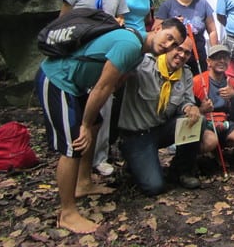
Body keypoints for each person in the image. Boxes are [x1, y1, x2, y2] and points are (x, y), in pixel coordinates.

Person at [36, 18, 187, 234]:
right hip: (58, 79)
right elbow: (102, 88)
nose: (168, 45)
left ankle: (84, 182)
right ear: (157, 28)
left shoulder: (140, 51)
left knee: (96, 124)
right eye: (168, 37)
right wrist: (85, 125)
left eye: (175, 44)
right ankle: (67, 213)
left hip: (76, 85)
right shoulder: (130, 45)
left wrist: (92, 122)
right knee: (73, 144)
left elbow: (117, 81)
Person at [60, 0, 129, 177]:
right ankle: (74, 155)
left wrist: (118, 22)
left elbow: (121, 16)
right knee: (77, 106)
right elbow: (63, 18)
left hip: (104, 54)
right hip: (78, 55)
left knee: (104, 106)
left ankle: (99, 157)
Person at [117, 37, 214, 195]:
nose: (182, 55)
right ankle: (133, 160)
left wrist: (191, 107)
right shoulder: (143, 64)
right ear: (169, 48)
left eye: (187, 53)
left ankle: (182, 171)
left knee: (198, 120)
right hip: (137, 134)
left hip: (161, 129)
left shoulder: (185, 73)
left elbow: (186, 101)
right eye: (179, 49)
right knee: (154, 187)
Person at [154, 0, 218, 73]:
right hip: (174, 54)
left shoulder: (203, 4)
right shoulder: (167, 5)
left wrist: (215, 53)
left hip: (198, 54)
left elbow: (212, 31)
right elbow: (155, 29)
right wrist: (171, 23)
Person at [193, 44, 234, 150]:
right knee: (211, 140)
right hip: (203, 123)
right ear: (209, 62)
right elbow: (188, 110)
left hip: (224, 123)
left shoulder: (230, 82)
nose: (222, 61)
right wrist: (202, 110)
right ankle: (197, 154)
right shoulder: (198, 81)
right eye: (217, 58)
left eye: (225, 58)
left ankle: (219, 149)